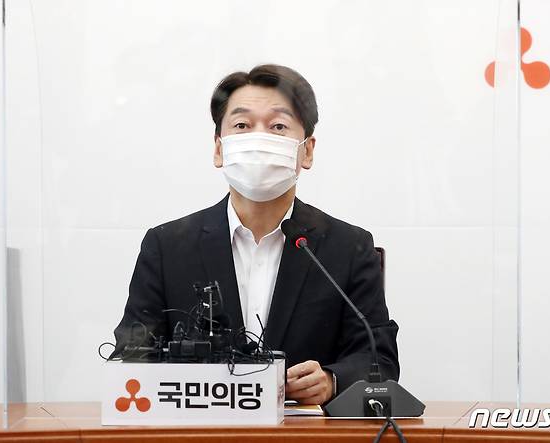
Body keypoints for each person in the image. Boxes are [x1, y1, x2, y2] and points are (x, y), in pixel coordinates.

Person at [113, 64, 399, 405]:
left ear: (307, 151)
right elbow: (130, 356)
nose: (259, 139)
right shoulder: (167, 247)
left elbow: (378, 358)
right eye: (242, 126)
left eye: (278, 126)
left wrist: (331, 380)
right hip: (200, 425)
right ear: (219, 149)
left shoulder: (348, 247)